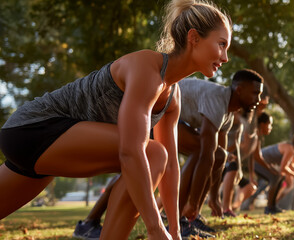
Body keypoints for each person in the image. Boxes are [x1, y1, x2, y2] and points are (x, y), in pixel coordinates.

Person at [0, 0, 231, 239]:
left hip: (41, 145)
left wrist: (174, 230)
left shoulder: (173, 95)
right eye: (221, 44)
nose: (225, 57)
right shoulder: (147, 69)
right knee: (152, 154)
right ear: (194, 38)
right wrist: (155, 228)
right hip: (35, 129)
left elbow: (171, 167)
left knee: (159, 155)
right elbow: (131, 152)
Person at [71, 69, 264, 239]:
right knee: (198, 151)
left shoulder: (228, 114)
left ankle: (185, 219)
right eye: (255, 93)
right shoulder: (218, 98)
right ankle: (181, 219)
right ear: (239, 89)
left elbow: (216, 158)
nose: (258, 99)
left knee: (216, 154)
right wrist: (195, 202)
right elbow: (206, 155)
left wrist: (214, 198)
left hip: (171, 117)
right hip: (155, 110)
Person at [252, 132, 294, 214]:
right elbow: (283, 168)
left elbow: (284, 164)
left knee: (279, 178)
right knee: (275, 178)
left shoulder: (288, 146)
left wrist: (292, 166)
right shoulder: (290, 149)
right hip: (257, 162)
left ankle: (272, 207)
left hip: (260, 163)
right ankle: (270, 207)